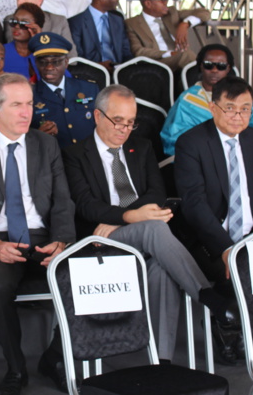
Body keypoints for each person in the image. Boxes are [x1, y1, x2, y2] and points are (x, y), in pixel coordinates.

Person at [63, 84, 237, 364]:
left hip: (129, 232)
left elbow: (156, 194)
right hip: (98, 240)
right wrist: (130, 217)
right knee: (156, 227)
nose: (124, 129)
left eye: (131, 122)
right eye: (117, 121)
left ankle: (161, 361)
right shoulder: (74, 154)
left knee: (161, 268)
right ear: (97, 116)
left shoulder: (141, 147)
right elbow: (85, 204)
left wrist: (124, 221)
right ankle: (207, 295)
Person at [0, 73, 76, 395]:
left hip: (43, 236)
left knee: (80, 279)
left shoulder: (46, 144)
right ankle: (16, 367)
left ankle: (54, 358)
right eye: (17, 105)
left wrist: (62, 241)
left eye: (30, 104)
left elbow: (63, 200)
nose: (27, 112)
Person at [175, 76, 253, 364]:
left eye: (245, 109)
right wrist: (225, 246)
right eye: (230, 108)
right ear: (212, 107)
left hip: (252, 233)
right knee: (229, 269)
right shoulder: (191, 143)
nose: (238, 116)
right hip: (209, 237)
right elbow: (194, 205)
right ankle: (226, 328)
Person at [161, 44, 253, 158]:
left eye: (221, 66)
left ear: (229, 68)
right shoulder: (187, 100)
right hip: (202, 159)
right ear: (201, 66)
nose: (214, 70)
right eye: (208, 65)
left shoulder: (244, 97)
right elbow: (174, 140)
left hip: (244, 156)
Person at [29, 33, 97, 148]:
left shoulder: (89, 89)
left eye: (55, 62)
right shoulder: (29, 95)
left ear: (66, 62)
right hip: (54, 161)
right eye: (43, 62)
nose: (49, 67)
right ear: (36, 63)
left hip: (89, 158)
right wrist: (38, 136)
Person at [125, 0, 210, 71]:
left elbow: (204, 13)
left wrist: (185, 24)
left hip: (180, 59)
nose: (166, 3)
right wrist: (169, 53)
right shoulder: (132, 23)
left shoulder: (171, 13)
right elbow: (138, 51)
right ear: (148, 4)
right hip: (157, 62)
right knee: (187, 56)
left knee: (209, 56)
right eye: (162, 0)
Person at [4, 0, 77, 57]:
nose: (19, 2)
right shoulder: (11, 21)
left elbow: (71, 56)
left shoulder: (58, 21)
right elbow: (11, 49)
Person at [68, 0, 132, 68]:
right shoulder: (76, 22)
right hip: (90, 73)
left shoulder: (117, 20)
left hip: (119, 71)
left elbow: (126, 51)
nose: (117, 0)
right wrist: (99, 66)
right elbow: (77, 56)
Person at [4, 3, 43, 79]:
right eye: (14, 22)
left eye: (23, 23)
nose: (17, 26)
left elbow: (65, 80)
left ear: (36, 28)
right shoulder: (1, 52)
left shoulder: (44, 53)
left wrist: (39, 43)